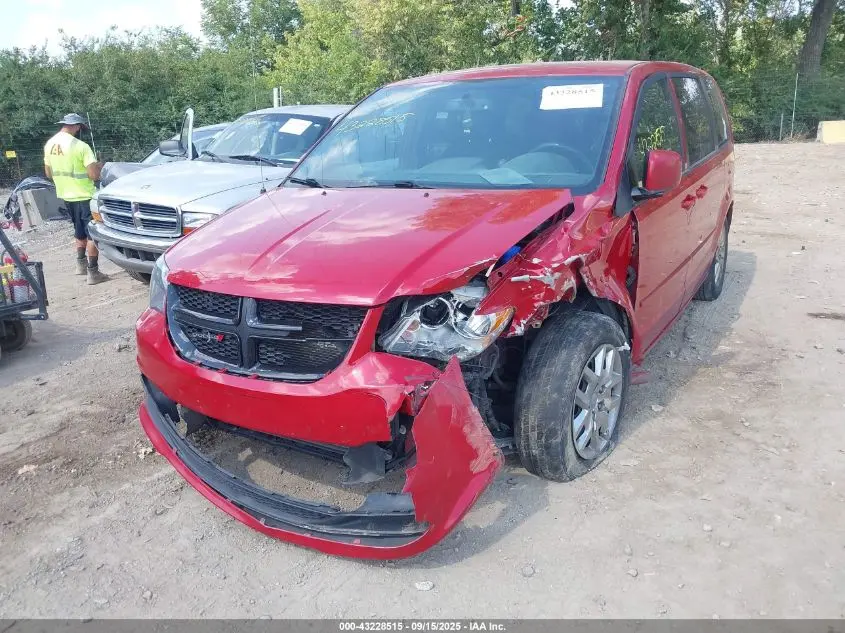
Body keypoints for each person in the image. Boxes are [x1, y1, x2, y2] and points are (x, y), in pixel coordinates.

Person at [44, 113, 108, 285]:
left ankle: (80, 265)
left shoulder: (50, 144)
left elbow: (48, 173)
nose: (80, 130)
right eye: (80, 127)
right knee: (92, 233)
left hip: (66, 195)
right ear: (77, 126)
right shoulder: (81, 146)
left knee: (78, 230)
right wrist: (98, 167)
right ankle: (93, 272)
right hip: (85, 195)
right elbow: (93, 175)